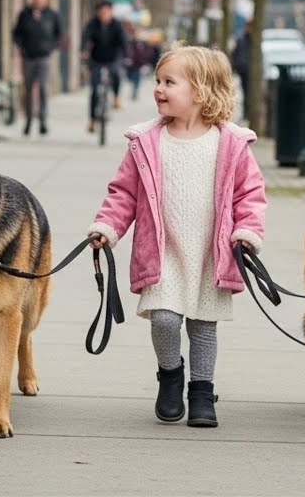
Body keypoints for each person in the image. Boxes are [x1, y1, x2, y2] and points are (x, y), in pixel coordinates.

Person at [86, 46, 267, 428]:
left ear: (200, 92)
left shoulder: (230, 144)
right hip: (163, 251)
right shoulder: (147, 142)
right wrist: (107, 227)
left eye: (170, 82)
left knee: (203, 326)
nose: (159, 89)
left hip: (209, 253)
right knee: (165, 320)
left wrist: (247, 231)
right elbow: (123, 193)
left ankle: (202, 390)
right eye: (158, 81)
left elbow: (249, 194)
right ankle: (170, 375)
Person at [12, 0, 63, 136]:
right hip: (28, 57)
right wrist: (21, 46)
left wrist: (50, 47)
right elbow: (16, 33)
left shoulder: (52, 15)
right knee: (28, 90)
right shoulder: (24, 14)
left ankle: (42, 120)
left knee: (42, 89)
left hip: (44, 57)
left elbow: (59, 34)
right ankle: (28, 120)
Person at [81, 0, 129, 132]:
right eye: (101, 12)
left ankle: (116, 97)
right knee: (94, 92)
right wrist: (84, 50)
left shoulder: (117, 25)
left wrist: (126, 55)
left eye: (106, 11)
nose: (104, 14)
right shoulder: (92, 24)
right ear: (97, 12)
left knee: (116, 73)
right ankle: (91, 120)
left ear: (111, 12)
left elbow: (124, 41)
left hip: (113, 58)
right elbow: (85, 38)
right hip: (96, 60)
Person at [229, 21, 252, 119]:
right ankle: (246, 113)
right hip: (242, 69)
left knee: (248, 92)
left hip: (249, 70)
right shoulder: (241, 39)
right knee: (244, 90)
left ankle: (248, 113)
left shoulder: (253, 40)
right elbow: (235, 54)